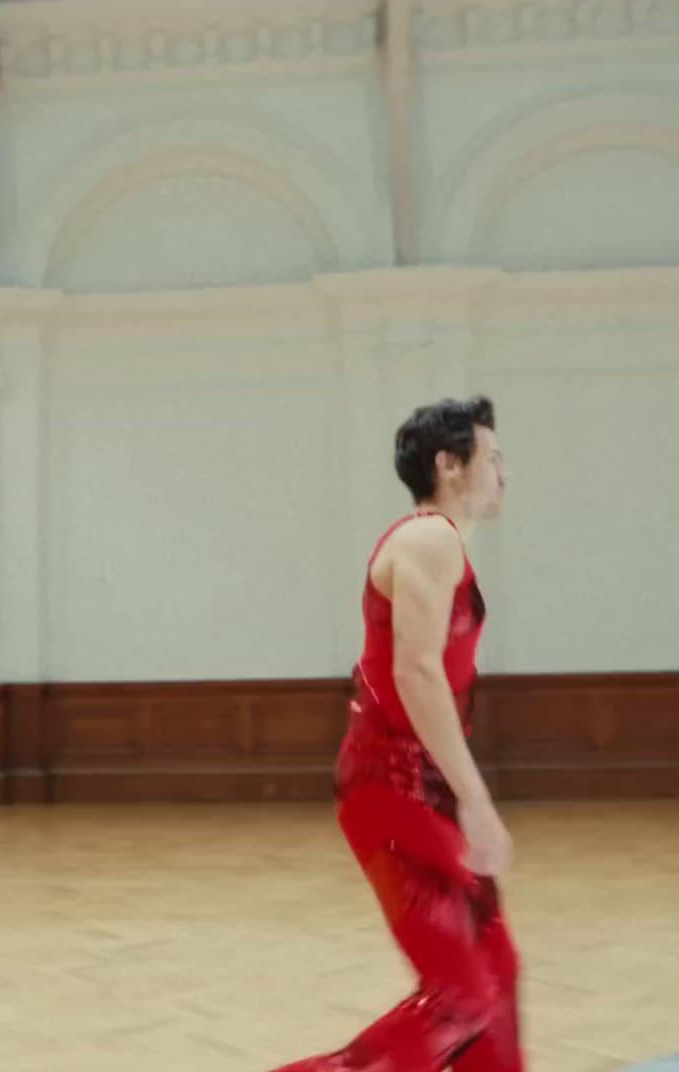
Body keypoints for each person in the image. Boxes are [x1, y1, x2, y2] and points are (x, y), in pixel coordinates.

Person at [269, 395, 521, 1071]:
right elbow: (416, 673)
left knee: (494, 971)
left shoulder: (439, 543)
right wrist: (478, 801)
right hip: (396, 784)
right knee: (463, 996)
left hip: (421, 782)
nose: (504, 472)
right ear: (449, 464)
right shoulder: (428, 539)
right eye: (492, 458)